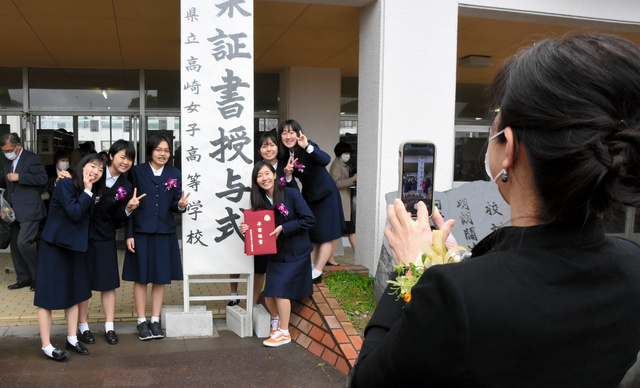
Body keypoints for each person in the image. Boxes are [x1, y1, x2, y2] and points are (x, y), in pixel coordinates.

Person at [350, 33, 640, 387]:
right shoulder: (632, 264)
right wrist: (465, 266)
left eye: (494, 122)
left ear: (510, 149)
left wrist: (413, 270)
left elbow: (366, 380)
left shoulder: (454, 297)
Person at [34, 153, 106, 361]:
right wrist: (87, 191)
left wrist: (89, 192)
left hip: (75, 248)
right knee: (46, 298)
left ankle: (72, 338)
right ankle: (46, 345)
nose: (96, 172)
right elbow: (74, 213)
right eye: (92, 166)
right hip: (54, 246)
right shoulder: (66, 184)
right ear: (82, 166)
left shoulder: (90, 191)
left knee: (74, 294)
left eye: (100, 170)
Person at [239, 161, 315, 347]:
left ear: (274, 175)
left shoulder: (291, 194)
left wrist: (284, 227)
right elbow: (259, 231)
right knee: (270, 292)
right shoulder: (259, 203)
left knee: (281, 292)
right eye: (259, 176)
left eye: (267, 173)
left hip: (296, 253)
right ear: (256, 181)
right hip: (275, 254)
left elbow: (309, 220)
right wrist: (246, 229)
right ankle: (275, 320)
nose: (264, 178)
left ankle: (284, 332)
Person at [77, 140, 145, 346]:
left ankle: (109, 326)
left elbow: (117, 218)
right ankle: (83, 326)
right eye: (122, 156)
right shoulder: (95, 173)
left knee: (108, 283)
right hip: (82, 235)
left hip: (105, 236)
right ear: (111, 155)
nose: (126, 162)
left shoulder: (126, 185)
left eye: (130, 158)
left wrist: (128, 209)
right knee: (83, 281)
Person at [124, 134, 189, 341]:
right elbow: (129, 204)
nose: (163, 154)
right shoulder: (136, 172)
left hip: (164, 231)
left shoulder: (174, 173)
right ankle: (141, 321)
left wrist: (179, 206)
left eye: (167, 150)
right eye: (159, 150)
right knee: (141, 278)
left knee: (160, 278)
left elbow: (173, 203)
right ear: (151, 151)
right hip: (141, 232)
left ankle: (155, 320)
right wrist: (129, 234)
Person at [277, 120, 345, 283]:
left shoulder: (308, 146)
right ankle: (310, 267)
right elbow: (289, 183)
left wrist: (307, 145)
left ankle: (318, 271)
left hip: (327, 194)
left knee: (327, 234)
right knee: (313, 233)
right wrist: (288, 175)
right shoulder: (286, 156)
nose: (288, 136)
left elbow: (325, 159)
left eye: (291, 132)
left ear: (299, 133)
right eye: (284, 133)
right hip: (310, 196)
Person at [0, 133, 48, 291]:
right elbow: (4, 180)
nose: (7, 153)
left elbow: (42, 178)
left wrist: (20, 176)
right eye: (4, 151)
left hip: (30, 209)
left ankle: (38, 277)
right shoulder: (6, 161)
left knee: (23, 242)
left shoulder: (32, 158)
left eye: (9, 150)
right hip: (12, 210)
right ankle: (23, 278)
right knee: (15, 245)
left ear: (18, 145)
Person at [329, 141, 357, 256]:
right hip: (341, 204)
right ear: (340, 153)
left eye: (348, 153)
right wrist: (352, 179)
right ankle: (330, 258)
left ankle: (357, 255)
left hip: (345, 205)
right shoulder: (337, 165)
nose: (347, 155)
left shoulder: (342, 164)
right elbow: (335, 184)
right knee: (339, 232)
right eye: (345, 152)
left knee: (351, 231)